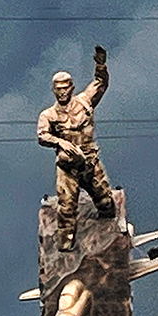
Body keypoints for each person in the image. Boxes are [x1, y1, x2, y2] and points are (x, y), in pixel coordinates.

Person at [37, 45, 117, 252]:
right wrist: (60, 142)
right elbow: (42, 135)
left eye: (65, 88)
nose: (62, 92)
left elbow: (100, 83)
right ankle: (65, 247)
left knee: (106, 203)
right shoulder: (49, 115)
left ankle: (108, 236)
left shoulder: (84, 102)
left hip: (90, 163)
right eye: (58, 89)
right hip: (68, 168)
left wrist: (100, 65)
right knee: (66, 207)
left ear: (72, 88)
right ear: (53, 91)